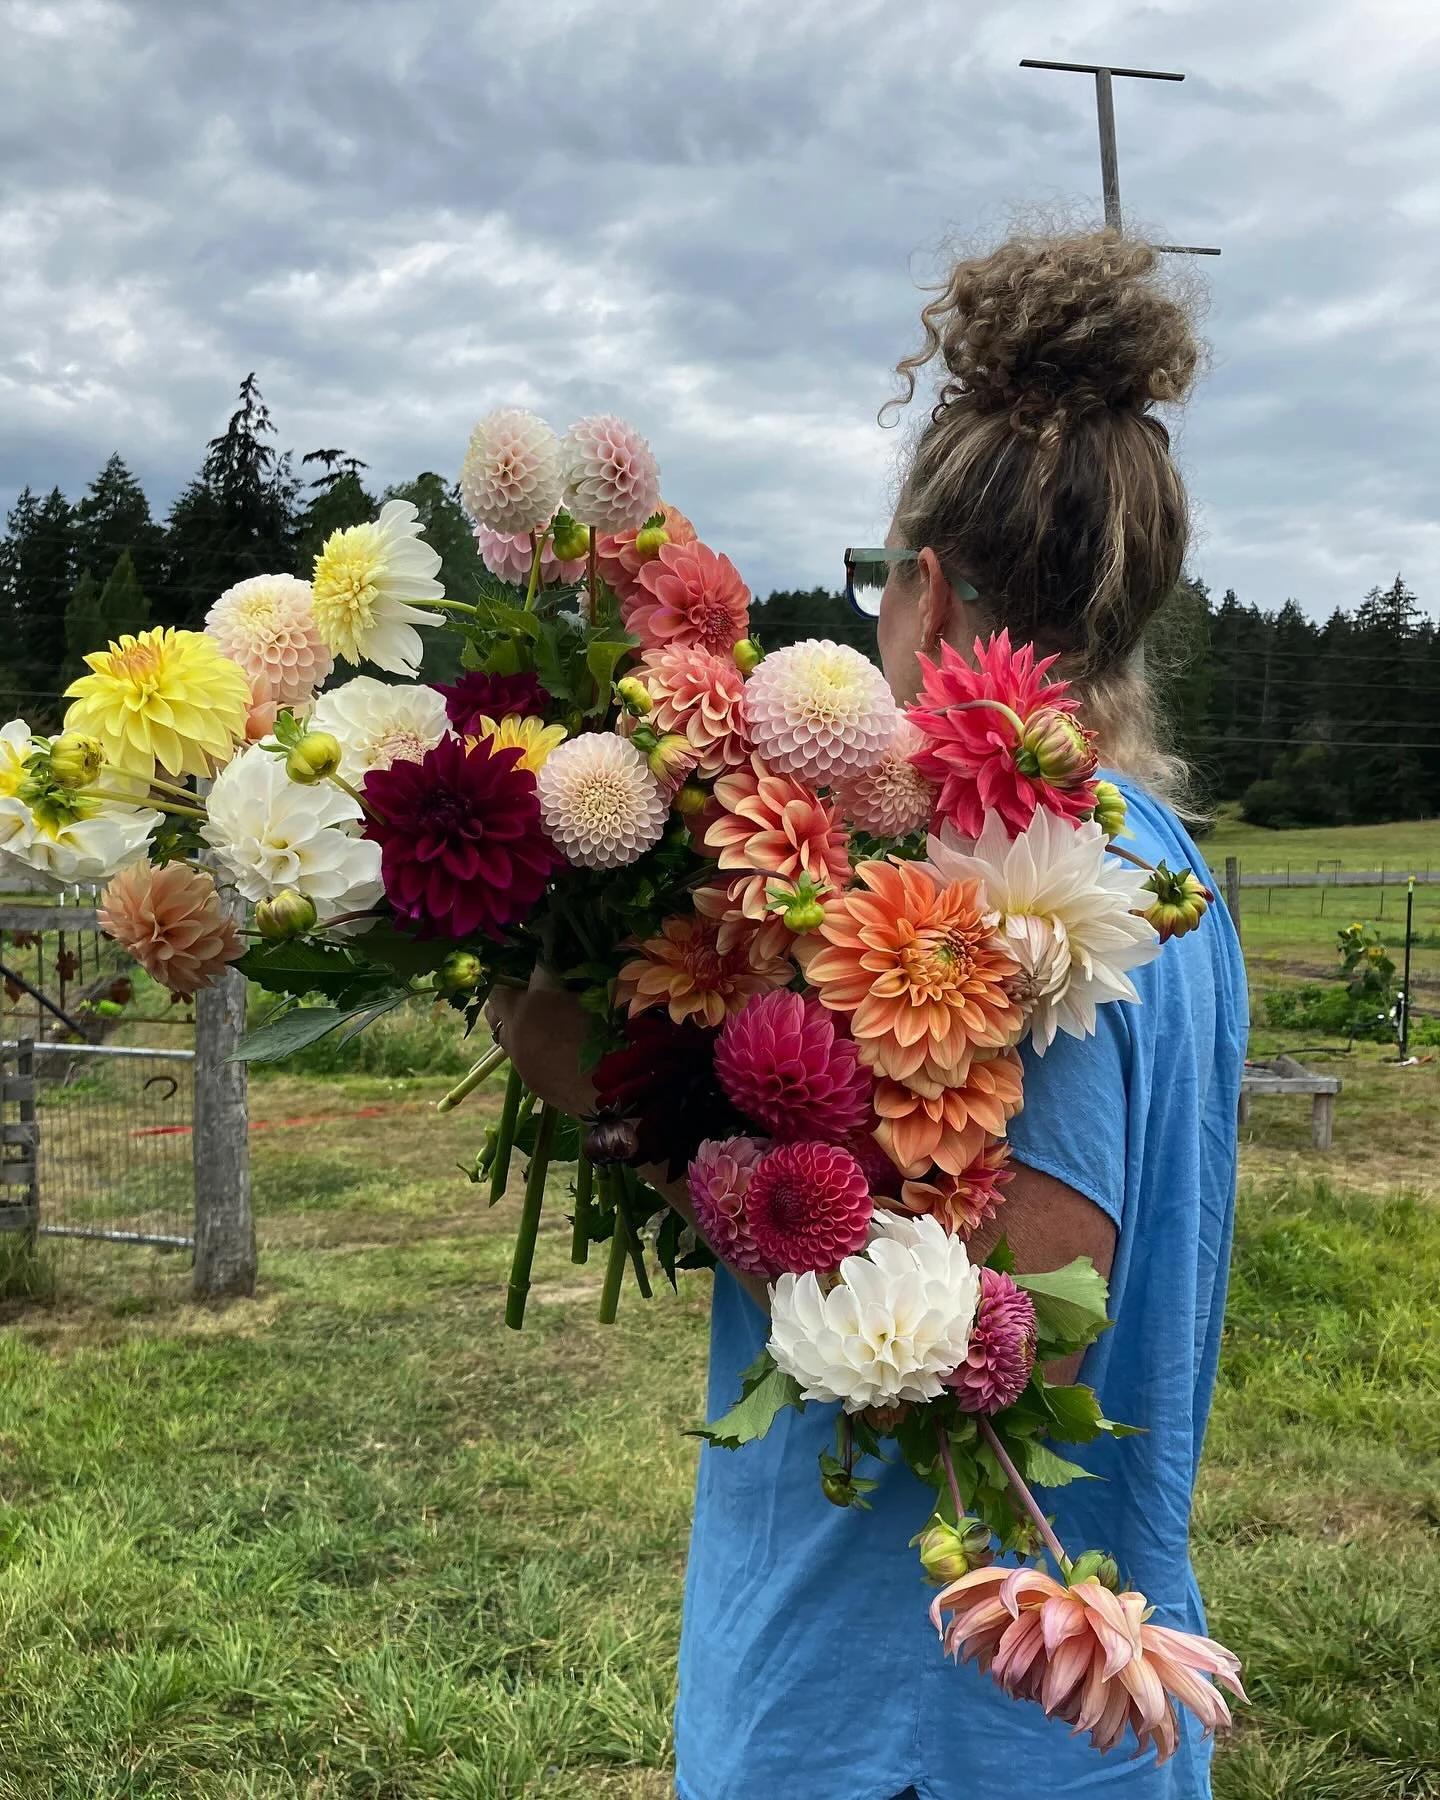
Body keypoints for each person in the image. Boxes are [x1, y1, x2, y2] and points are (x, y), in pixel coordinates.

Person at [490, 229, 1246, 1800]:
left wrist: (618, 1102)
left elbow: (1006, 1320)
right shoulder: (1166, 873)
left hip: (922, 1719)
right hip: (1048, 1714)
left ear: (928, 589)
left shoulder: (1023, 886)